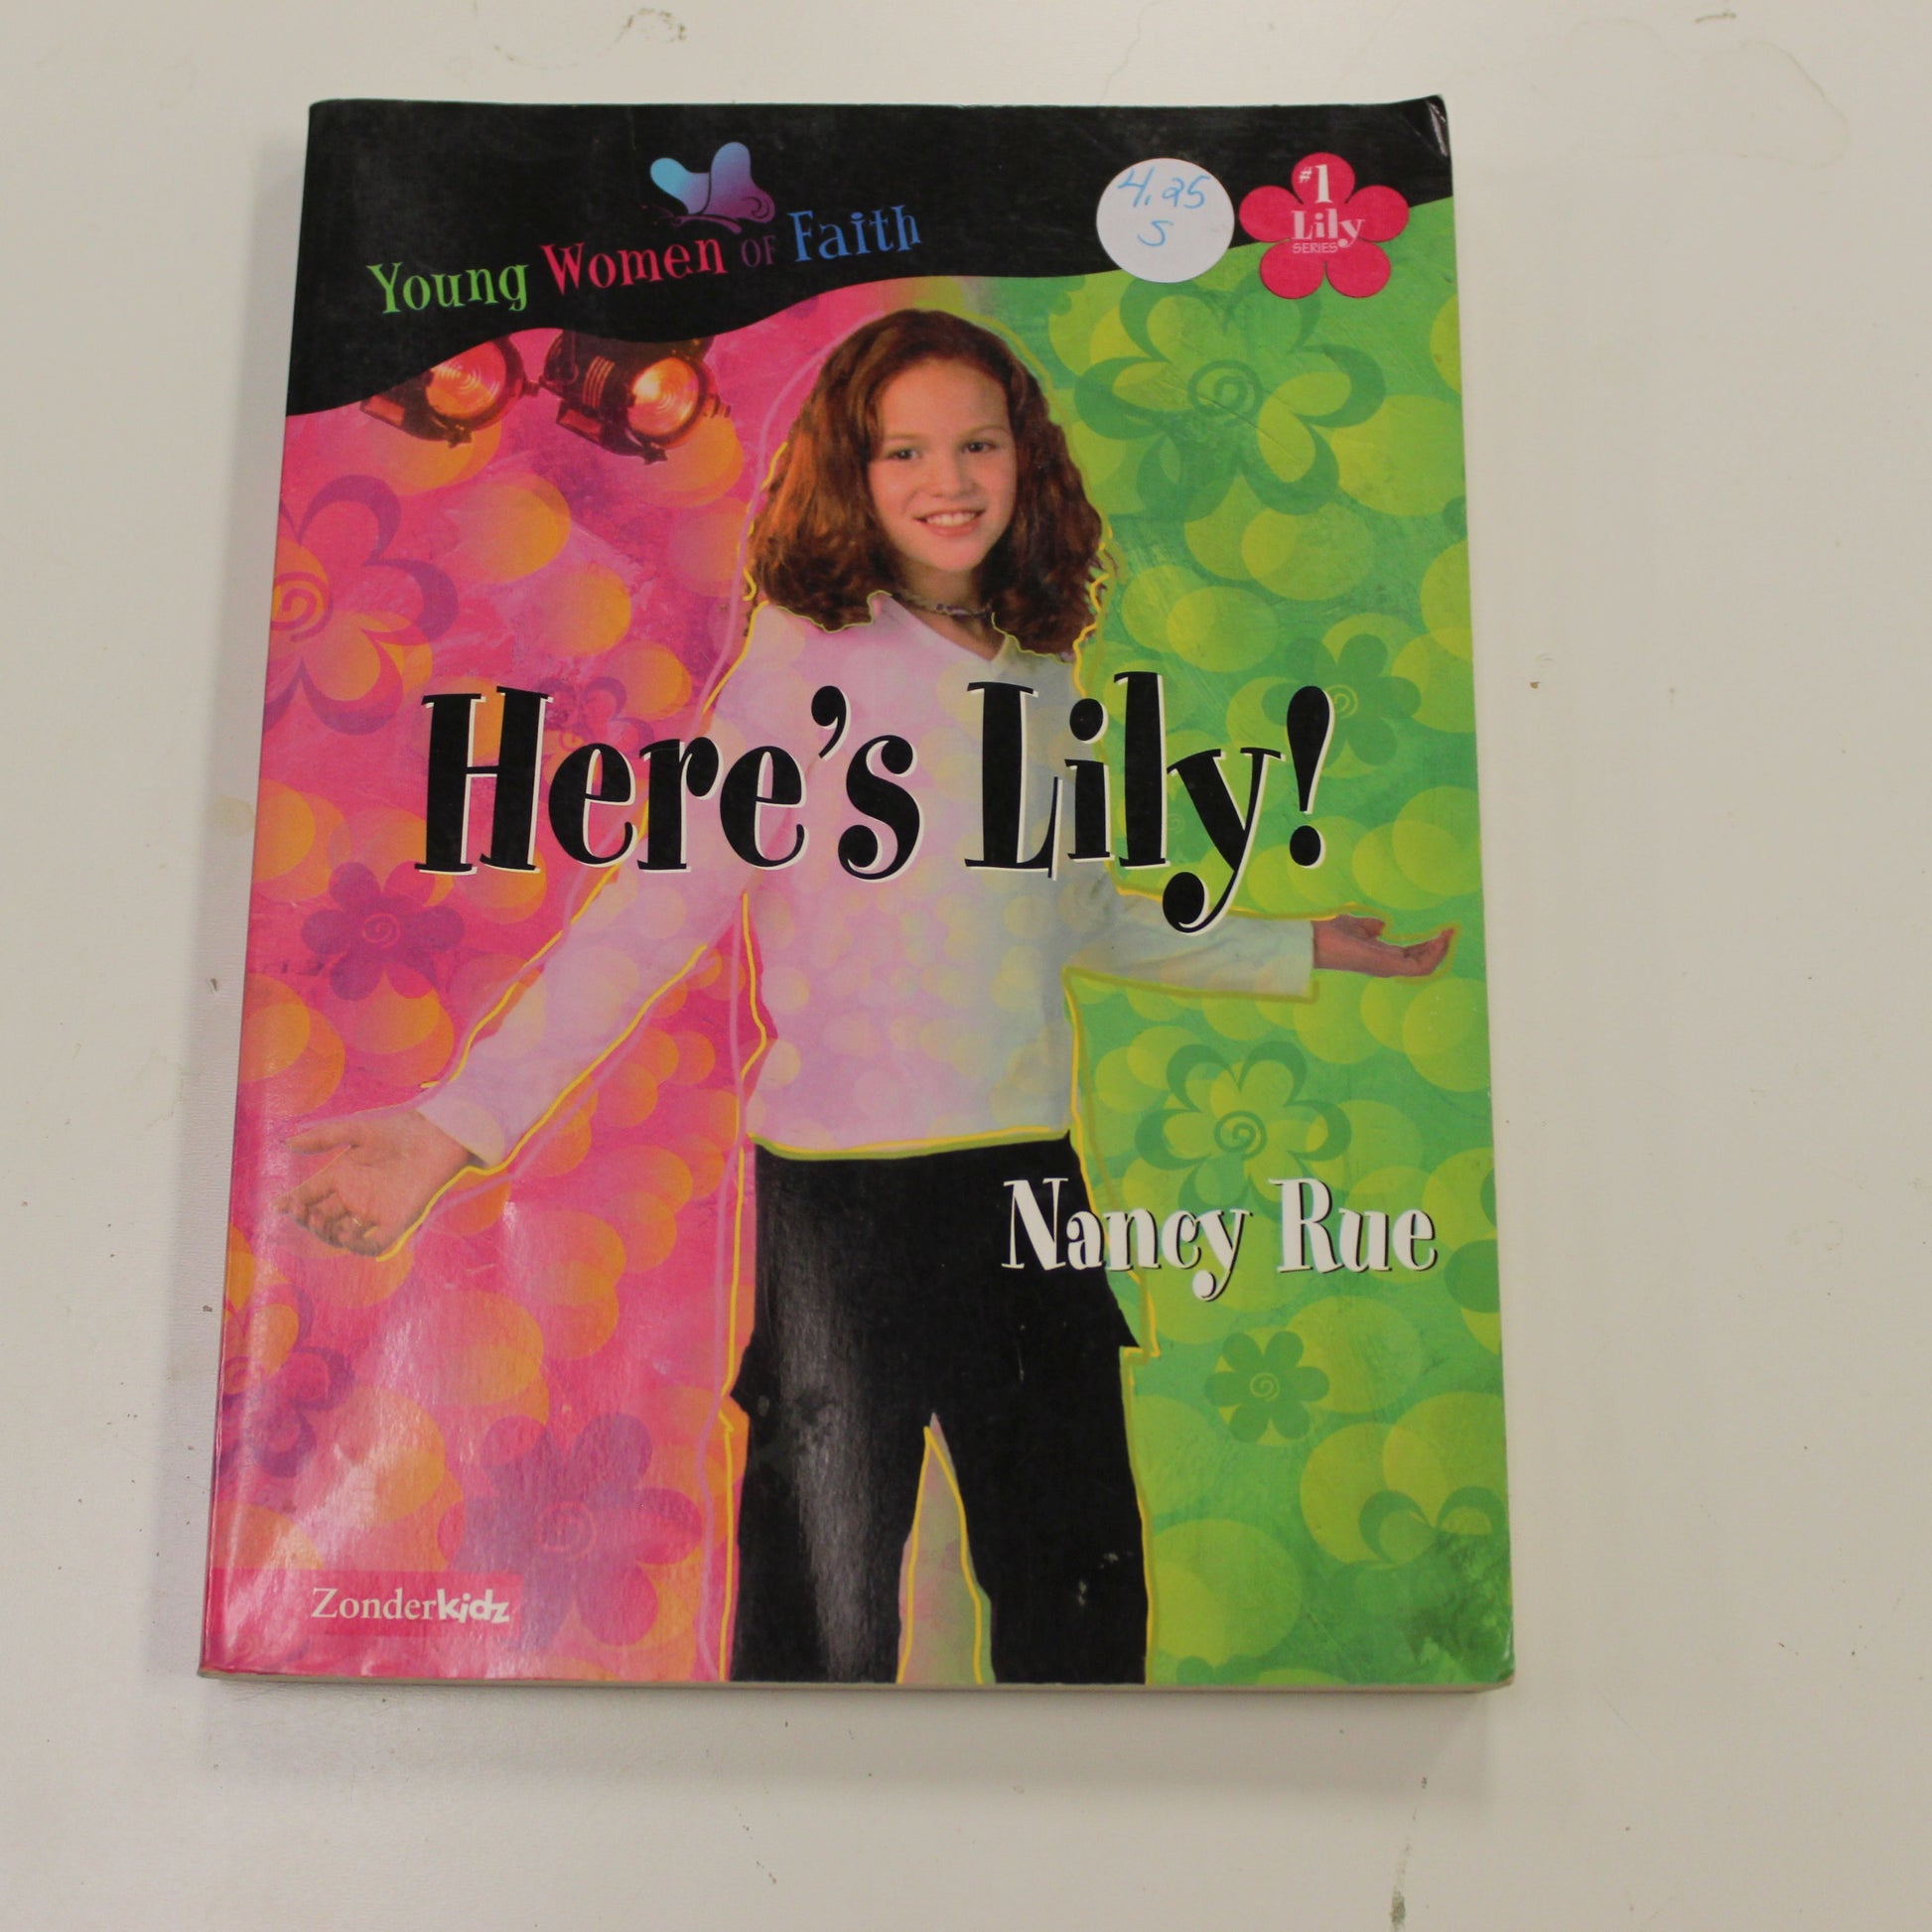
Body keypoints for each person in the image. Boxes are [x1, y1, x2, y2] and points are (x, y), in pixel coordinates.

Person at [281, 309, 1449, 1684]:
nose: (948, 480)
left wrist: (1301, 947)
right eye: (905, 451)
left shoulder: (1043, 672)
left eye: (977, 444)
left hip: (1026, 1186)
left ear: (1025, 460)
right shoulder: (803, 665)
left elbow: (1073, 914)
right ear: (852, 469)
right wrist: (456, 1123)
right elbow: (656, 913)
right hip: (843, 1215)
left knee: (1081, 1606)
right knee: (816, 1631)